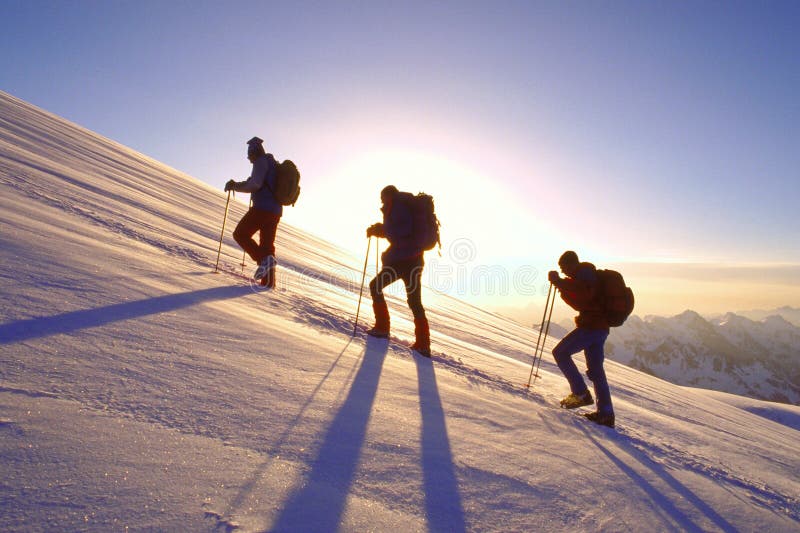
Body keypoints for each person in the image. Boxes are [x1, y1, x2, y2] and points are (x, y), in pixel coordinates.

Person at [548, 251, 615, 428]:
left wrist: (560, 282)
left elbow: (585, 294)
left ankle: (580, 393)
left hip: (591, 327)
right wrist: (561, 284)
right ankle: (606, 414)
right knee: (596, 371)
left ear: (571, 264)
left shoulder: (585, 273)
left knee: (560, 352)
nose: (563, 272)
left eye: (564, 268)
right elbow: (580, 302)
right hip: (599, 328)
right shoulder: (584, 275)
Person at [365, 185, 431, 357]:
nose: (381, 202)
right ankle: (423, 344)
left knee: (375, 286)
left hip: (402, 262)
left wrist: (382, 229)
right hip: (414, 261)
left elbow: (401, 230)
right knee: (415, 301)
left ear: (389, 195)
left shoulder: (399, 205)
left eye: (382, 198)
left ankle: (382, 328)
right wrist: (381, 229)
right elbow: (399, 232)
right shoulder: (402, 205)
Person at [225, 137, 282, 288]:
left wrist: (234, 186)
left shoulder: (261, 161)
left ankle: (263, 261)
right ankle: (268, 283)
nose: (248, 158)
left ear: (254, 151)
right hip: (275, 211)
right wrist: (237, 185)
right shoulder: (272, 164)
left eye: (249, 154)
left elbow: (255, 184)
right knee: (267, 245)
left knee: (240, 234)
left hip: (262, 208)